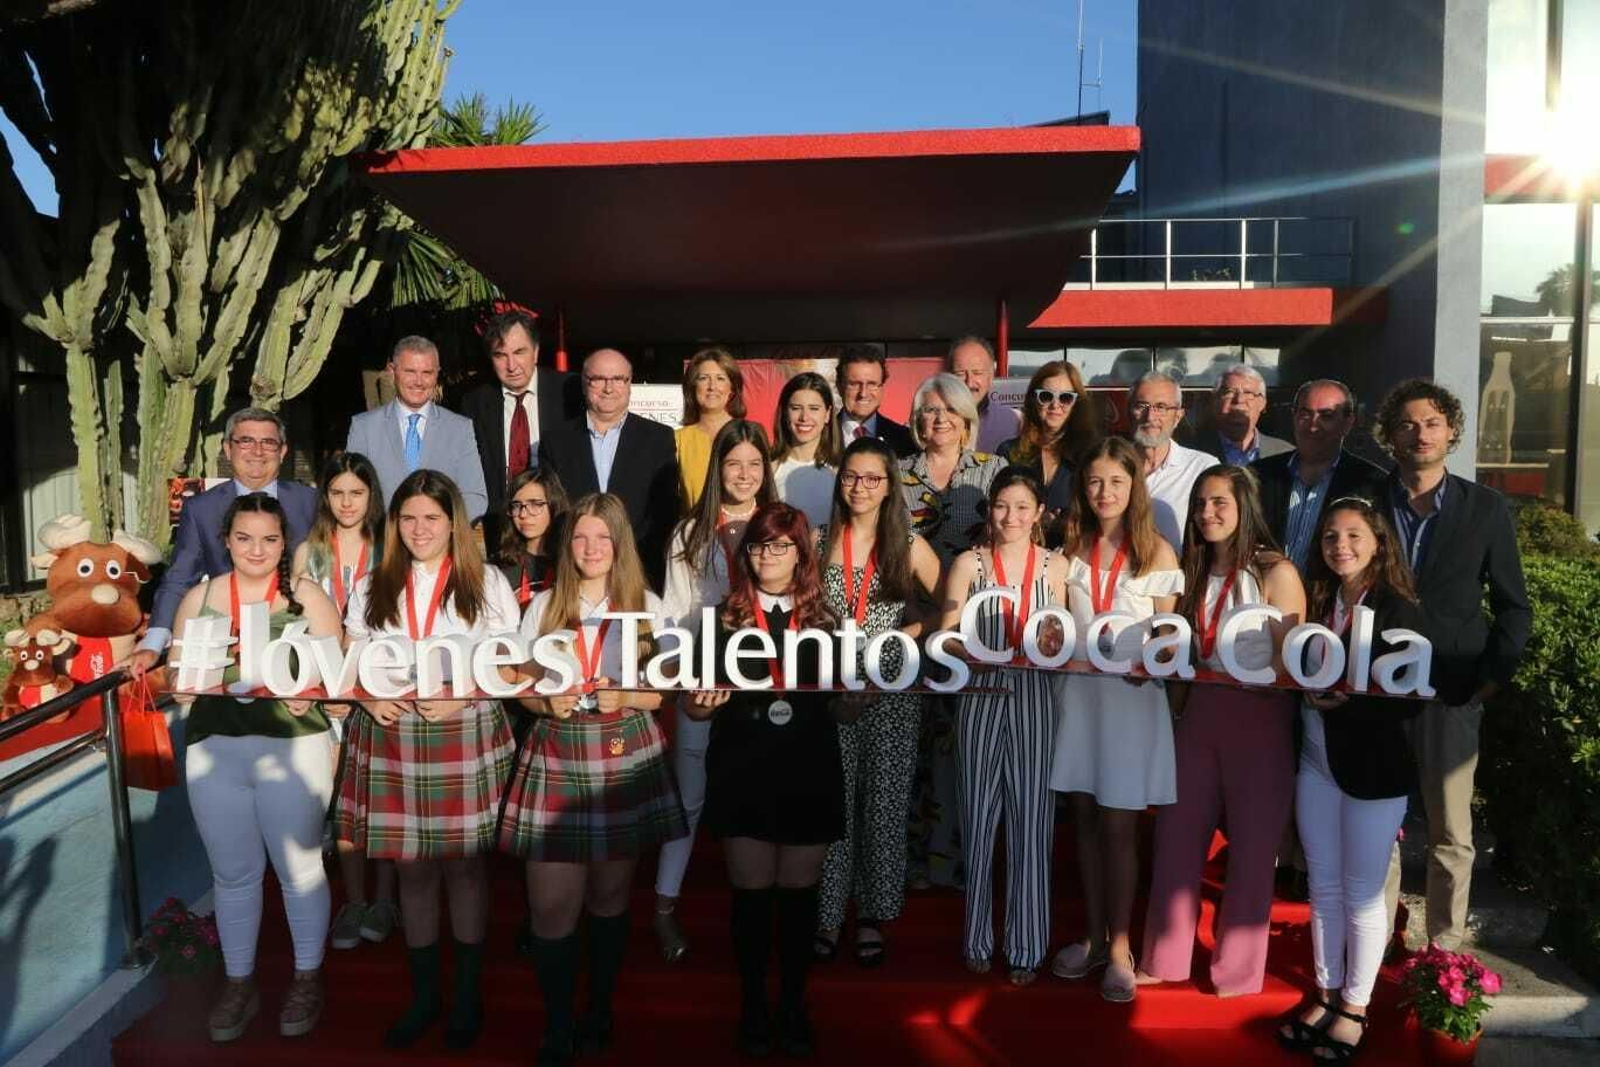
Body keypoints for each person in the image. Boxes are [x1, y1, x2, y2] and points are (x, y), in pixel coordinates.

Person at [337, 470, 521, 1050]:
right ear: (394, 524)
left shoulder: (487, 581)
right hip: (392, 733)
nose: (420, 530)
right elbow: (349, 660)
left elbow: (510, 662)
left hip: (463, 727)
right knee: (412, 869)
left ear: (453, 524)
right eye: (409, 518)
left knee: (465, 868)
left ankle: (465, 994)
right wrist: (368, 695)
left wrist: (465, 693)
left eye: (432, 518)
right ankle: (424, 997)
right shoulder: (371, 585)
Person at [501, 493, 687, 1065]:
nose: (591, 548)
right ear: (567, 544)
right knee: (551, 907)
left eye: (603, 537)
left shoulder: (648, 605)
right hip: (557, 751)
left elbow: (665, 691)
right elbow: (520, 683)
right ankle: (558, 1024)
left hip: (621, 750)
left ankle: (599, 1010)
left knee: (609, 898)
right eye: (580, 536)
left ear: (619, 544)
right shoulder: (543, 605)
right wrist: (543, 703)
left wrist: (627, 695)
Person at [168, 493, 344, 1041]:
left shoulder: (308, 596)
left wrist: (314, 693)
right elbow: (177, 674)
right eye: (244, 538)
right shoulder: (200, 597)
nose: (256, 550)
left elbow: (339, 678)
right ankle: (239, 982)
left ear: (285, 543)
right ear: (226, 541)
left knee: (300, 868)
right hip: (216, 750)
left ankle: (307, 977)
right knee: (232, 874)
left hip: (293, 747)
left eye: (269, 539)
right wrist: (181, 685)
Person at [1373, 379, 1530, 951]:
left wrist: (1491, 678)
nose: (1421, 434)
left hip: (1453, 690)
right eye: (1408, 424)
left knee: (1451, 833)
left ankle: (1444, 952)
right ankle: (1377, 943)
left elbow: (1514, 604)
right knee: (1378, 829)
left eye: (1433, 423)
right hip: (1375, 690)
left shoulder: (1484, 508)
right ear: (1390, 435)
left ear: (1452, 432)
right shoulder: (1367, 500)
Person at [1138, 465, 1306, 996]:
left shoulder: (1276, 572)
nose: (1206, 513)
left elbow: (1293, 660)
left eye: (1219, 503)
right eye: (1200, 503)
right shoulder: (1191, 569)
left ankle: (1237, 971)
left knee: (1254, 849)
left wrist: (1256, 680)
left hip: (1260, 716)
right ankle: (1165, 958)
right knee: (1177, 837)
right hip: (1199, 713)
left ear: (1245, 507)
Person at [689, 502, 843, 1057]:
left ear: (801, 553)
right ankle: (753, 1004)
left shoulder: (827, 621)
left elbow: (842, 708)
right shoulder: (721, 619)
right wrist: (702, 704)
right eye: (757, 545)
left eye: (780, 545)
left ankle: (794, 1004)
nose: (768, 555)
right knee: (751, 896)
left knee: (799, 898)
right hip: (744, 768)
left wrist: (857, 698)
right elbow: (694, 708)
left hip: (808, 768)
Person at [1277, 497, 1426, 1062]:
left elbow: (1412, 697)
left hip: (1372, 770)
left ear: (1378, 542)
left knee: (1363, 893)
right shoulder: (1320, 599)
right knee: (1323, 887)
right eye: (1331, 537)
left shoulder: (1398, 606)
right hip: (1316, 762)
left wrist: (1346, 704)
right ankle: (1325, 994)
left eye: (1354, 535)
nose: (1341, 546)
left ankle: (1355, 1009)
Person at [1048, 437, 1183, 1002]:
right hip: (1080, 697)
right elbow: (1054, 621)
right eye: (1095, 481)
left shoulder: (1157, 551)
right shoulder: (1069, 545)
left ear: (1135, 487)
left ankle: (1122, 946)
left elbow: (1170, 635)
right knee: (1083, 818)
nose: (1105, 492)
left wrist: (1158, 656)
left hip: (1130, 700)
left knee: (1120, 827)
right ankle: (1093, 936)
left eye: (1117, 482)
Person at [938, 468, 1069, 985]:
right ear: (989, 510)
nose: (1010, 517)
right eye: (1001, 506)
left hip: (1035, 697)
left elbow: (1065, 636)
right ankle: (977, 939)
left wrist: (1053, 645)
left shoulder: (1057, 566)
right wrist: (971, 651)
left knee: (1032, 823)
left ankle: (1026, 947)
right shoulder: (967, 563)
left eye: (1021, 507)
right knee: (977, 819)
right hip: (980, 694)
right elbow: (945, 636)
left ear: (1039, 514)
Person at [813, 437, 941, 968]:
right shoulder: (818, 540)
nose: (860, 487)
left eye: (872, 478)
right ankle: (826, 916)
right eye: (851, 476)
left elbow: (950, 608)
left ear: (890, 486)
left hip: (891, 695)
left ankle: (871, 915)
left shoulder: (908, 544)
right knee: (832, 807)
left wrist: (908, 634)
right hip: (831, 693)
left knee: (883, 807)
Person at [655, 420, 777, 963]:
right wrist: (683, 677)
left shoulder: (780, 526)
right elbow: (674, 616)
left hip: (764, 684)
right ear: (716, 469)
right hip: (702, 681)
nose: (744, 475)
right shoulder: (688, 534)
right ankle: (664, 906)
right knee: (689, 796)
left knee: (759, 793)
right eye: (733, 464)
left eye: (754, 464)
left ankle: (758, 914)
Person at [289, 452, 399, 951]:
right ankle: (354, 901)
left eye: (357, 492)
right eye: (337, 493)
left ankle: (386, 899)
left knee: (385, 798)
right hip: (326, 690)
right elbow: (296, 628)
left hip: (379, 686)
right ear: (325, 497)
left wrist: (362, 686)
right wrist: (327, 687)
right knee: (345, 804)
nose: (347, 503)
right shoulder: (308, 552)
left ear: (371, 496)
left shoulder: (391, 548)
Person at [900, 372, 1004, 890]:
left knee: (961, 749)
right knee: (914, 747)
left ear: (967, 421)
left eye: (948, 411)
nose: (938, 419)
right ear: (916, 420)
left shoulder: (992, 471)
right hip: (910, 628)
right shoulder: (896, 473)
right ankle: (912, 862)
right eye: (929, 410)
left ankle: (956, 863)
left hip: (971, 631)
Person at [131, 407, 318, 676]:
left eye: (268, 442)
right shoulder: (201, 508)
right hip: (227, 641)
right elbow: (180, 577)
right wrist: (153, 643)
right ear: (228, 449)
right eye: (246, 441)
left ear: (283, 451)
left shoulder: (310, 502)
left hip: (298, 635)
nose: (257, 452)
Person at [538, 348, 679, 591]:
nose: (608, 388)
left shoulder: (658, 438)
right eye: (599, 379)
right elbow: (554, 510)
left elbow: (663, 513)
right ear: (584, 384)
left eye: (618, 379)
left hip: (638, 571)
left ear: (629, 384)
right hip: (575, 572)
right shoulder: (556, 441)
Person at [461, 308, 580, 548]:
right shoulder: (475, 402)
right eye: (500, 355)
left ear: (535, 352)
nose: (511, 365)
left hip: (560, 519)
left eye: (519, 352)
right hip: (502, 523)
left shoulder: (570, 392)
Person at [346, 336, 490, 520]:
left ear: (437, 374)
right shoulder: (364, 427)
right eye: (410, 372)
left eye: (427, 372)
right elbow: (352, 490)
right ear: (392, 371)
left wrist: (439, 527)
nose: (418, 381)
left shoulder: (459, 429)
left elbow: (475, 497)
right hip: (381, 535)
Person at [1253, 379, 1388, 570]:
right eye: (1305, 414)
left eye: (1326, 416)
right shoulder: (1258, 475)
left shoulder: (1372, 483)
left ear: (1348, 423)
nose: (1313, 426)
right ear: (1294, 417)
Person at [997, 359, 1100, 539]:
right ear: (1033, 400)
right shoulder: (1008, 451)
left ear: (1077, 403)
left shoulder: (1092, 454)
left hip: (1074, 551)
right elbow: (998, 509)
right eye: (1046, 396)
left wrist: (1067, 522)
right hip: (1021, 552)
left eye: (1065, 398)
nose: (1055, 405)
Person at [1127, 371, 1218, 551]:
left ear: (1178, 416)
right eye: (1141, 406)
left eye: (1161, 407)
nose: (1150, 416)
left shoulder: (1203, 468)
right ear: (1128, 411)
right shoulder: (1111, 465)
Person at [674, 346, 747, 509]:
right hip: (694, 524)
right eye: (704, 378)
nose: (712, 386)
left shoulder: (748, 434)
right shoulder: (678, 440)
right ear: (692, 386)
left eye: (720, 378)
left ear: (732, 388)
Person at [771, 371, 843, 529]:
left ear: (827, 414)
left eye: (814, 408)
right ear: (785, 413)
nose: (804, 417)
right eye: (796, 408)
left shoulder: (841, 471)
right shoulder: (769, 470)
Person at [496, 467, 570, 609]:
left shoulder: (571, 562)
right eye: (517, 505)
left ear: (554, 506)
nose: (523, 514)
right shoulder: (499, 567)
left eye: (535, 504)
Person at [948, 335, 1022, 453]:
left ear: (991, 375)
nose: (969, 382)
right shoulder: (935, 422)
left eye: (977, 373)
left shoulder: (1014, 421)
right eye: (960, 374)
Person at [835, 348, 915, 457]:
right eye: (854, 384)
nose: (863, 393)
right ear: (839, 386)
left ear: (882, 387)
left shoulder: (905, 439)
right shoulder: (820, 435)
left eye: (872, 384)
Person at [1211, 364, 1292, 466]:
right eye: (1229, 392)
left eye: (1248, 393)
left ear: (1262, 403)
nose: (1239, 399)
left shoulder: (1286, 452)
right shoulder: (1194, 451)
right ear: (1215, 401)